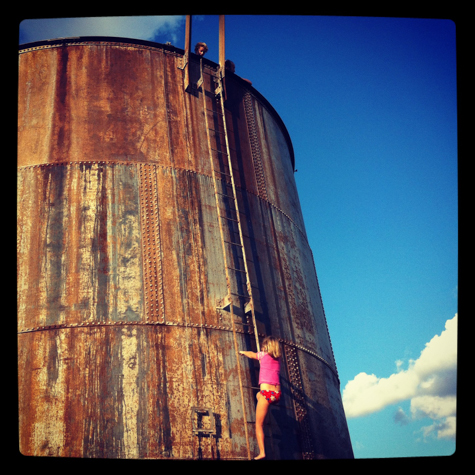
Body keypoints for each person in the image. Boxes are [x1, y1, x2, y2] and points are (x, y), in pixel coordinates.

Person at [239, 336, 282, 460]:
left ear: (267, 347)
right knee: (258, 395)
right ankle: (264, 406)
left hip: (266, 394)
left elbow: (252, 354)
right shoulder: (278, 359)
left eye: (263, 346)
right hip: (277, 395)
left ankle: (262, 452)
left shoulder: (263, 355)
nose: (262, 348)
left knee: (258, 425)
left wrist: (243, 352)